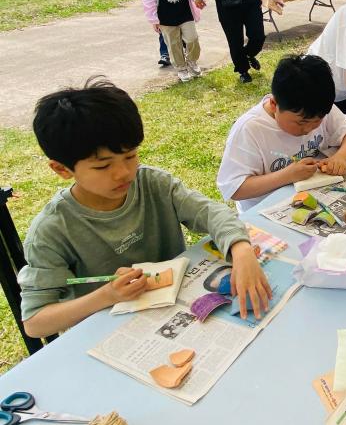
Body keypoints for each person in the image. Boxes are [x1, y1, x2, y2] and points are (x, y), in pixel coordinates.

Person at [18, 79, 271, 338]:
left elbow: (210, 213)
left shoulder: (152, 183)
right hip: (112, 332)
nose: (123, 173)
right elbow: (35, 322)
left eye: (130, 156)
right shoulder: (52, 231)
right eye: (103, 166)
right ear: (61, 169)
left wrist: (241, 251)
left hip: (178, 313)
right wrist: (107, 295)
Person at [217, 55, 346, 212]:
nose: (308, 129)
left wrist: (339, 158)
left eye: (317, 122)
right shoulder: (250, 129)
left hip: (313, 198)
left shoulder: (315, 106)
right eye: (301, 123)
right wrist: (286, 175)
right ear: (274, 104)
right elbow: (234, 189)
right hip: (266, 210)